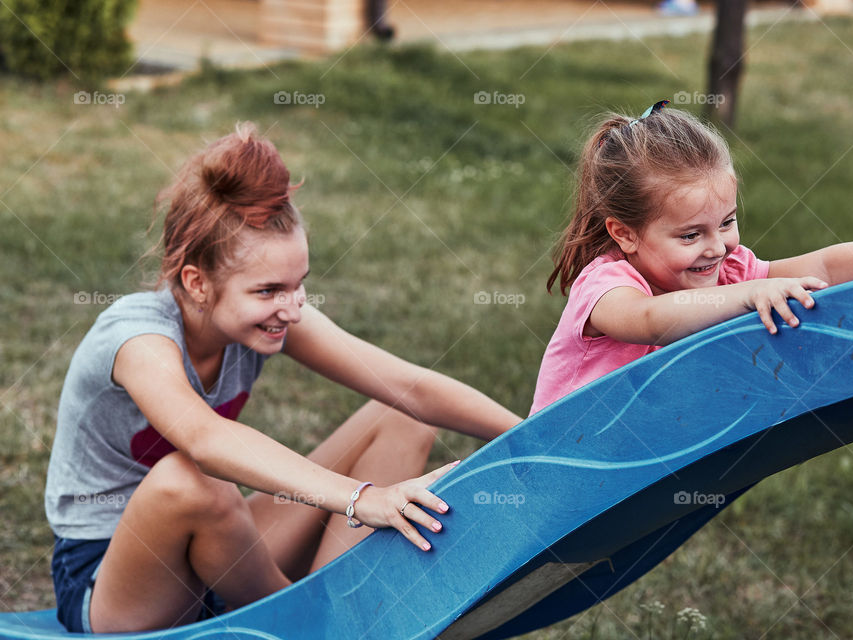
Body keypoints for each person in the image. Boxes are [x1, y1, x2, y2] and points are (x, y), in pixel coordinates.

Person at [45, 122, 522, 634]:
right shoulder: (135, 338)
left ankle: (331, 610)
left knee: (398, 416)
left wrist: (538, 432)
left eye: (300, 286)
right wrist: (365, 498)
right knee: (189, 478)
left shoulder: (267, 318)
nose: (291, 309)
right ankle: (309, 624)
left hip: (222, 554)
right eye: (270, 290)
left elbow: (412, 387)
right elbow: (205, 440)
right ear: (197, 283)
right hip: (114, 582)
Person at [530, 101, 853, 415]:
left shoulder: (727, 271)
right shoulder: (606, 286)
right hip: (553, 469)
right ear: (625, 234)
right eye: (690, 235)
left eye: (727, 222)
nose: (717, 247)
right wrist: (750, 294)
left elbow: (827, 267)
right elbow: (651, 321)